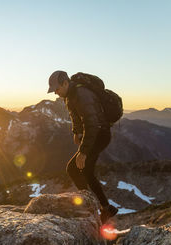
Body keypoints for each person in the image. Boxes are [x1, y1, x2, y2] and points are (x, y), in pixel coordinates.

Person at [47, 70, 118, 223]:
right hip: (97, 134)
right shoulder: (70, 95)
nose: (56, 93)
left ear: (65, 83)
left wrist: (83, 152)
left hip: (100, 135)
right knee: (85, 170)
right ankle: (105, 208)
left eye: (57, 89)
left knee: (74, 169)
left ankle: (92, 207)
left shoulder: (81, 94)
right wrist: (76, 132)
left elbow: (92, 124)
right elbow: (76, 117)